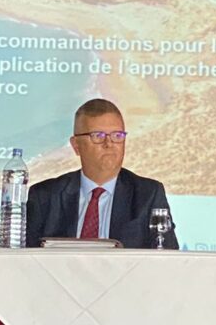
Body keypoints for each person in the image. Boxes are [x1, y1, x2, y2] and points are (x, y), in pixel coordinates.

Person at [25, 98, 178, 249]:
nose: (109, 144)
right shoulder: (45, 197)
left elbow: (168, 257)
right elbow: (24, 258)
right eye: (98, 136)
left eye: (117, 136)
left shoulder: (148, 194)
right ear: (76, 145)